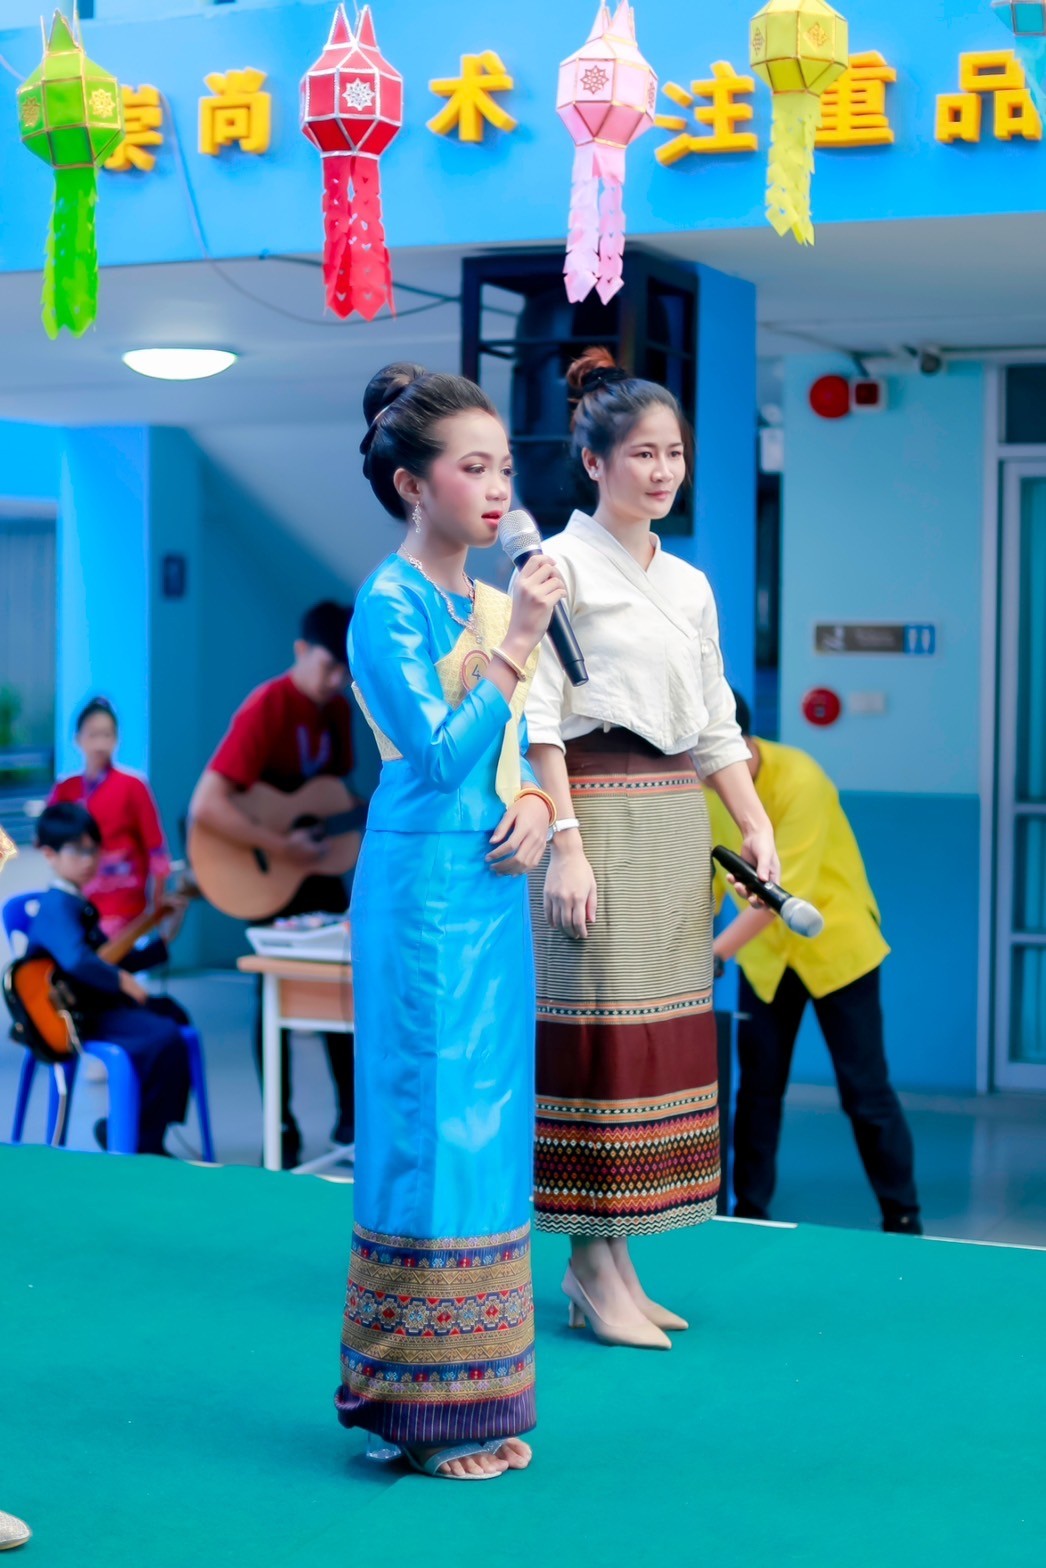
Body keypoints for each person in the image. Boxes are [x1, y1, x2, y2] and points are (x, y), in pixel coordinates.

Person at [335, 362, 565, 1479]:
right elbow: (431, 755)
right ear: (409, 485)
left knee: (488, 1125)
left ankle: (480, 1396)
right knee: (430, 1127)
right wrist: (516, 644)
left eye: (504, 468)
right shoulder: (386, 602)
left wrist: (538, 807)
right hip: (421, 888)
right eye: (473, 467)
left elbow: (511, 750)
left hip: (488, 886)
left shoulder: (489, 601)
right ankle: (417, 1412)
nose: (497, 488)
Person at [524, 348, 778, 1350]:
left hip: (675, 819)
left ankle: (618, 1259)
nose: (662, 470)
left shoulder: (690, 582)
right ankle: (589, 1263)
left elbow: (714, 718)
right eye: (641, 453)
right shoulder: (555, 567)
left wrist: (751, 818)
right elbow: (538, 719)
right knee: (601, 1036)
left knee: (661, 1036)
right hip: (595, 813)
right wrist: (566, 845)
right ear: (593, 461)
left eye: (673, 452)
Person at [707, 694, 923, 1234]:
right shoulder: (708, 791)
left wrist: (715, 953)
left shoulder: (801, 778)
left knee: (865, 1090)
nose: (707, 770)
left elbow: (782, 896)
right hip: (767, 963)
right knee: (758, 1092)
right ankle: (750, 1214)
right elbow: (704, 881)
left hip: (837, 952)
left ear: (742, 743)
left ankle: (903, 1216)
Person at [190, 601, 358, 1168]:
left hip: (312, 872)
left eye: (344, 672)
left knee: (343, 981)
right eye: (328, 666)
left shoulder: (337, 713)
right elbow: (207, 805)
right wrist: (279, 844)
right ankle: (279, 1126)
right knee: (272, 993)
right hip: (264, 868)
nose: (335, 681)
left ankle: (350, 1121)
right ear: (301, 651)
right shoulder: (267, 706)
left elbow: (331, 799)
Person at [26, 802, 191, 1156]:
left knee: (173, 1015)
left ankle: (142, 1127)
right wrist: (121, 982)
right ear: (49, 854)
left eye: (94, 850)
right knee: (162, 1036)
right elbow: (77, 960)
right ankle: (142, 1141)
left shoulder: (78, 903)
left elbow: (111, 958)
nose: (89, 860)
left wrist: (166, 935)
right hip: (77, 1014)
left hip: (97, 1002)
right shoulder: (56, 905)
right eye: (77, 850)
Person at [49, 697, 174, 944]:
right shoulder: (66, 789)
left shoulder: (133, 786)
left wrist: (156, 905)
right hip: (77, 897)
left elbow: (157, 852)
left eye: (107, 735)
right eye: (93, 734)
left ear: (116, 739)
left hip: (123, 902)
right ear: (78, 739)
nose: (100, 743)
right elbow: (48, 840)